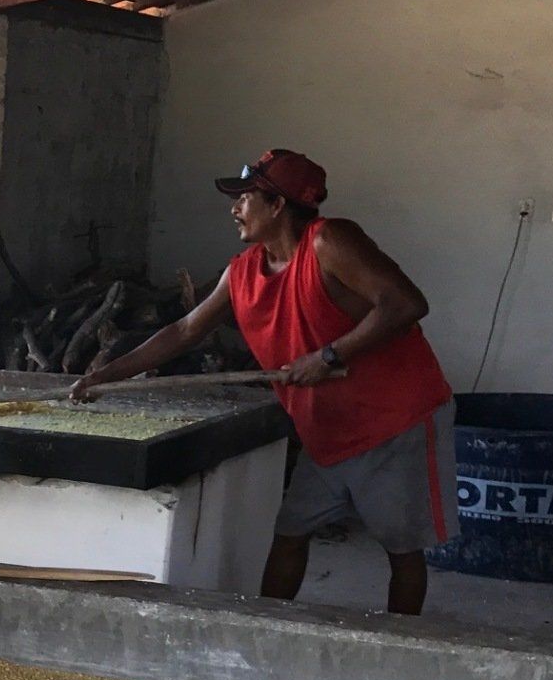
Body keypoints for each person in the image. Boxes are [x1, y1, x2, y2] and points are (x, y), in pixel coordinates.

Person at [71, 150, 456, 615]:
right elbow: (185, 331)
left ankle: (404, 642)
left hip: (394, 422)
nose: (235, 209)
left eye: (245, 198)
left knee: (401, 550)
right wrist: (105, 375)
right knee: (290, 532)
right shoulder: (243, 271)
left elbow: (405, 303)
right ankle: (266, 627)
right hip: (327, 430)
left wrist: (328, 356)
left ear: (278, 205)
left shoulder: (329, 242)